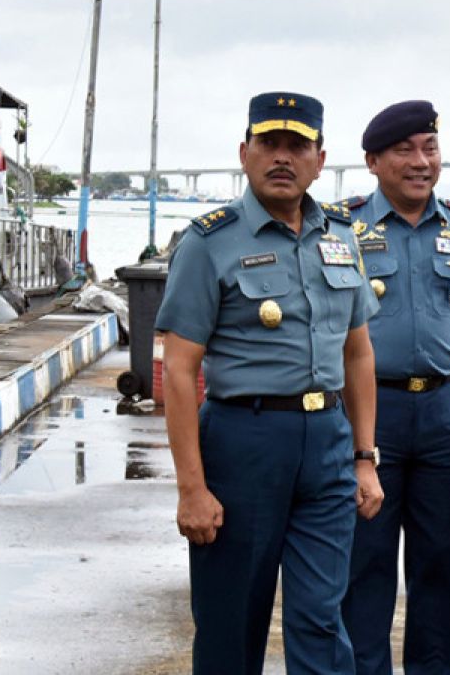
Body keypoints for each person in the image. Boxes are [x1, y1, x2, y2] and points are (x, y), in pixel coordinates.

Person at [156, 92, 384, 675]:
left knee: (321, 621)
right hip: (242, 444)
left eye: (297, 147)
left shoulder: (340, 235)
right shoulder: (209, 242)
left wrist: (364, 457)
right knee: (232, 624)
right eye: (270, 144)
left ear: (319, 158)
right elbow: (179, 371)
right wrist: (191, 489)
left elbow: (357, 353)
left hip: (327, 445)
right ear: (244, 152)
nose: (283, 159)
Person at [340, 100, 450, 675]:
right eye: (405, 150)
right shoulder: (341, 230)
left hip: (442, 412)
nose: (421, 162)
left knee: (447, 563)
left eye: (430, 149)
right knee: (363, 565)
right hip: (368, 414)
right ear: (373, 161)